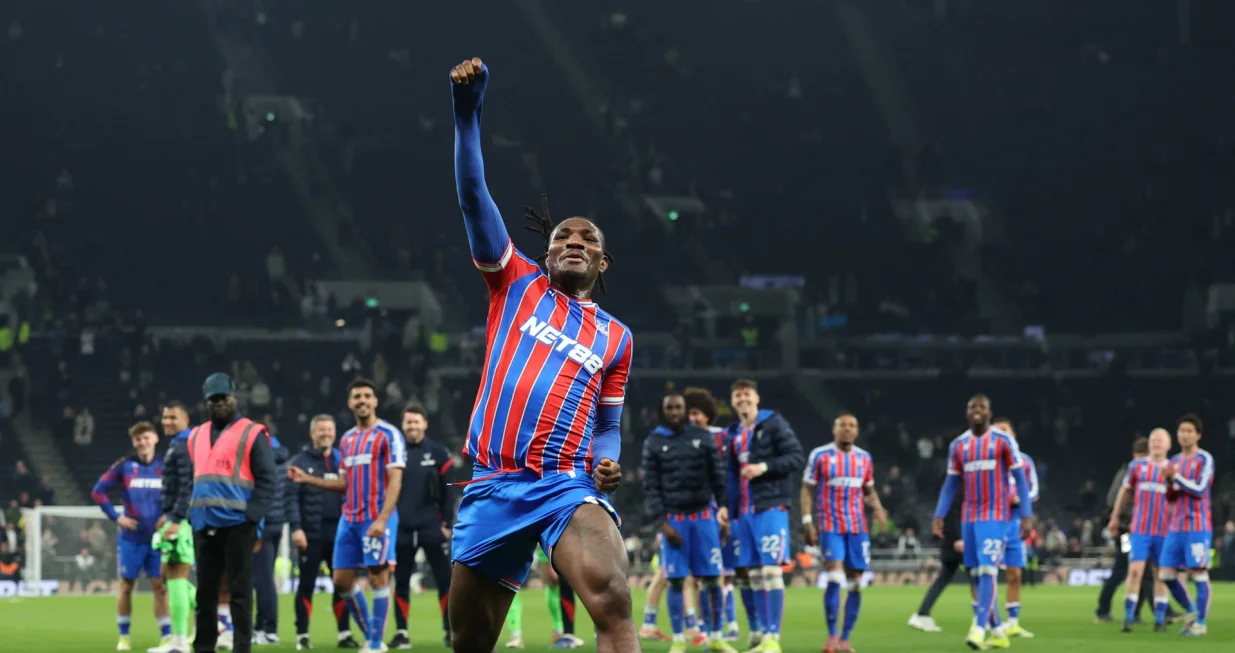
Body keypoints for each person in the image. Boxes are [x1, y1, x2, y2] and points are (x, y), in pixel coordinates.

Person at [448, 57, 638, 653]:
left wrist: (607, 461)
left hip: (565, 483)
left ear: (602, 262)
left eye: (587, 239)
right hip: (492, 483)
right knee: (469, 640)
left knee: (612, 600)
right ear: (547, 252)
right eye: (562, 236)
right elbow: (473, 196)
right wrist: (467, 113)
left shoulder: (617, 337)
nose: (574, 241)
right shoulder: (514, 283)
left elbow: (607, 426)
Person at [288, 378, 406, 653]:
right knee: (341, 581)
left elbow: (396, 479)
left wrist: (383, 519)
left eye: (367, 395)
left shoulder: (388, 434)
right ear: (350, 403)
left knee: (377, 577)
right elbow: (344, 484)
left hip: (376, 516)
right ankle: (373, 636)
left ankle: (374, 644)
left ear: (375, 401)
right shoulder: (348, 440)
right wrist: (307, 478)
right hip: (349, 518)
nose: (362, 400)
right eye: (357, 396)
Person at [932, 395, 1033, 651]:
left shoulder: (1003, 441)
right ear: (967, 413)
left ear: (990, 412)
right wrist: (939, 514)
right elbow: (951, 484)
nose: (977, 411)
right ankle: (998, 630)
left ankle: (978, 628)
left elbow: (1021, 480)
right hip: (969, 515)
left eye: (982, 407)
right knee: (976, 574)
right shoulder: (959, 445)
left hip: (995, 514)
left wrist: (1026, 514)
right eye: (972, 407)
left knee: (988, 569)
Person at [188, 373, 278, 653]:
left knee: (240, 593)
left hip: (238, 524)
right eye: (213, 399)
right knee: (205, 594)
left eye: (223, 398)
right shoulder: (196, 435)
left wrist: (252, 517)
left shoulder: (252, 433)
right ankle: (204, 647)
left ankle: (241, 648)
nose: (219, 404)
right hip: (203, 523)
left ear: (234, 397)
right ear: (206, 402)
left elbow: (268, 479)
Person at [642, 393, 733, 653]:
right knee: (676, 580)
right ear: (663, 411)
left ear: (685, 410)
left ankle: (715, 637)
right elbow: (650, 486)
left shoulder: (702, 437)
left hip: (704, 517)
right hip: (674, 520)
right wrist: (662, 524)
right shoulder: (654, 441)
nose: (674, 412)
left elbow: (718, 476)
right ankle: (679, 639)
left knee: (713, 578)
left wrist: (723, 509)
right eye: (669, 408)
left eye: (678, 407)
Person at [724, 379, 804, 652]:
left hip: (770, 507)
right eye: (738, 395)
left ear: (757, 398)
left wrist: (763, 467)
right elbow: (729, 475)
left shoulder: (774, 423)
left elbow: (796, 457)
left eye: (747, 394)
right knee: (751, 575)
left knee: (770, 570)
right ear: (733, 402)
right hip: (742, 512)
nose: (743, 399)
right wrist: (726, 506)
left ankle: (773, 638)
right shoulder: (733, 433)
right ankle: (760, 634)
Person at [802, 413, 888, 653]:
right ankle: (831, 636)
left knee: (856, 585)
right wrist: (807, 521)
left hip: (857, 528)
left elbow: (869, 490)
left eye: (852, 426)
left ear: (857, 431)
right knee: (834, 577)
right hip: (830, 525)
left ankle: (845, 639)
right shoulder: (820, 455)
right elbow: (807, 489)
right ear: (834, 430)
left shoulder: (864, 458)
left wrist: (879, 509)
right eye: (843, 425)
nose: (847, 429)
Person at [92, 421, 171, 652]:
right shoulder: (125, 466)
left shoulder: (165, 466)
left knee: (160, 586)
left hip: (158, 539)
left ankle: (166, 636)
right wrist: (117, 517)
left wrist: (169, 515)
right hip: (131, 539)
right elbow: (98, 492)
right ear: (134, 442)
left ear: (155, 438)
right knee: (126, 586)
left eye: (146, 437)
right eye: (138, 439)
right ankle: (124, 636)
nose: (142, 442)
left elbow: (181, 492)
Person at [286, 415, 360, 650]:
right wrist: (296, 528)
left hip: (339, 533)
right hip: (311, 533)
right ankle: (302, 635)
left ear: (334, 433)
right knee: (306, 584)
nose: (326, 433)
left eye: (329, 429)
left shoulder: (343, 461)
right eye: (321, 430)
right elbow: (291, 498)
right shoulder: (299, 462)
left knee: (342, 584)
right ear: (312, 433)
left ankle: (344, 634)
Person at [391, 403, 454, 649]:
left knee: (445, 582)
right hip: (402, 528)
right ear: (402, 425)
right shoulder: (394, 453)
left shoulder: (439, 453)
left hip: (432, 527)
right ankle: (401, 633)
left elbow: (448, 491)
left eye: (416, 421)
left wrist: (447, 524)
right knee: (401, 582)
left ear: (425, 424)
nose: (412, 426)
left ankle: (450, 631)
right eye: (408, 422)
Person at [684, 387, 739, 641]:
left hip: (724, 511)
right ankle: (705, 626)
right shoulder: (682, 439)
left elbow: (731, 474)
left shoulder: (723, 437)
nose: (692, 418)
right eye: (689, 413)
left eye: (696, 413)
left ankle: (731, 624)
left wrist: (728, 508)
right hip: (697, 514)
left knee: (725, 573)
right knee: (702, 575)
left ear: (707, 414)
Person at [1107, 429, 1172, 632]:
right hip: (1136, 531)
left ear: (1168, 445)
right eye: (1153, 440)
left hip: (1164, 531)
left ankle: (1159, 619)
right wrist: (1115, 517)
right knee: (1133, 571)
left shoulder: (1173, 468)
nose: (1156, 443)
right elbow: (1123, 492)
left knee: (1159, 574)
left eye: (1160, 440)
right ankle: (1127, 617)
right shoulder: (1136, 467)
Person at [1160, 414, 1214, 637]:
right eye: (1182, 431)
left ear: (1198, 435)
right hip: (1176, 526)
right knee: (1166, 574)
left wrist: (1177, 478)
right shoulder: (1174, 461)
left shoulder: (1205, 459)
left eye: (1190, 431)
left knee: (1199, 573)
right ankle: (1192, 611)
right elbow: (1171, 497)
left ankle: (1200, 624)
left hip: (1197, 525)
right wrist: (1169, 481)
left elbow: (1200, 489)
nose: (1185, 435)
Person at [149, 402, 196, 653]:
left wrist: (176, 519)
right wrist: (167, 515)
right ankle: (212, 614)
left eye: (173, 417)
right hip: (176, 516)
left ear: (186, 419)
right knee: (167, 575)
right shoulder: (178, 444)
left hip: (182, 520)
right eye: (165, 417)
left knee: (176, 576)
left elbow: (188, 485)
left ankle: (179, 641)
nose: (167, 421)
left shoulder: (184, 445)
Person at [991, 417, 1038, 637]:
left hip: (1014, 523)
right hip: (992, 521)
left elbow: (1034, 489)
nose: (1002, 434)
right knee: (987, 573)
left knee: (1015, 573)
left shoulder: (1025, 461)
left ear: (1013, 435)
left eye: (1005, 430)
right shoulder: (990, 461)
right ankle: (987, 619)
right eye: (998, 431)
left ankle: (1012, 622)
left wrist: (1019, 499)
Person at [907, 473, 964, 632]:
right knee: (978, 578)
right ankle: (986, 619)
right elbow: (953, 516)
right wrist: (958, 538)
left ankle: (922, 614)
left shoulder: (952, 490)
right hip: (956, 542)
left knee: (944, 578)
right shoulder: (958, 490)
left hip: (950, 541)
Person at [252, 429, 290, 645]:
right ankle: (260, 626)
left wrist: (257, 530)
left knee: (263, 580)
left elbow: (261, 497)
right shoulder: (281, 459)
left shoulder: (261, 461)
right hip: (275, 525)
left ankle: (269, 628)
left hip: (263, 527)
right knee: (263, 578)